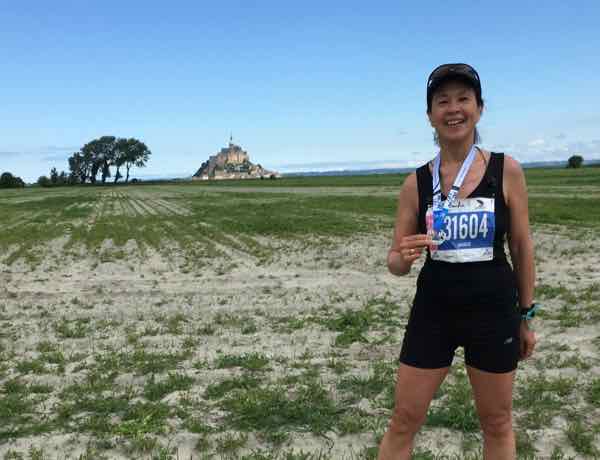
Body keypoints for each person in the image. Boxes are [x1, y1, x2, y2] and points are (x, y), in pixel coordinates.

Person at [378, 63, 537, 460]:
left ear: (479, 109)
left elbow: (520, 245)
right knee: (404, 419)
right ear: (430, 114)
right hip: (435, 311)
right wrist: (402, 256)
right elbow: (395, 262)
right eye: (442, 100)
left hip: (494, 311)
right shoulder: (416, 182)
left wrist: (526, 315)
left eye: (464, 99)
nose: (454, 109)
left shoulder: (507, 170)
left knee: (497, 423)